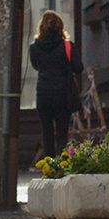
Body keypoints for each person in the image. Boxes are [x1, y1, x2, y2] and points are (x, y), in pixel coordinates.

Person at [29, 9, 85, 163]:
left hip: (44, 94)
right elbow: (79, 68)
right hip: (63, 94)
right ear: (61, 27)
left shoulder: (34, 47)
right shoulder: (67, 46)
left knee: (46, 132)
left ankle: (48, 166)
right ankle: (61, 164)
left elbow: (36, 66)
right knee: (61, 133)